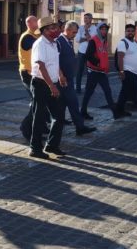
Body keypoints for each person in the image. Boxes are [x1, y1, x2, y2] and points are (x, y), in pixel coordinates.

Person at [28, 16, 67, 159]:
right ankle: (35, 148)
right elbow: (41, 66)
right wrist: (52, 86)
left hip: (53, 83)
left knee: (59, 116)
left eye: (56, 27)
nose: (56, 30)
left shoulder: (54, 43)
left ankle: (52, 145)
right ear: (44, 30)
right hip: (41, 84)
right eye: (52, 28)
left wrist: (61, 75)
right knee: (39, 117)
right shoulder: (40, 44)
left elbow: (54, 63)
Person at [56, 21, 96, 136]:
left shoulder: (68, 41)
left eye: (76, 32)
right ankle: (79, 127)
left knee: (63, 105)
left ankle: (63, 124)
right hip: (63, 80)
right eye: (73, 32)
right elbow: (55, 60)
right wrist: (60, 75)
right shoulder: (59, 41)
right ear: (67, 30)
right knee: (73, 103)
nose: (75, 34)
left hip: (68, 78)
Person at [80, 22, 120, 120]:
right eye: (102, 29)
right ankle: (83, 112)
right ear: (98, 30)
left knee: (107, 91)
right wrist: (97, 63)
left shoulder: (104, 41)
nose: (104, 31)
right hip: (94, 71)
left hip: (101, 72)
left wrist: (104, 66)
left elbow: (103, 55)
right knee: (89, 92)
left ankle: (115, 113)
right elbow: (88, 55)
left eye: (106, 29)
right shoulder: (93, 40)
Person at [18, 16, 42, 142]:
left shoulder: (35, 36)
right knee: (36, 101)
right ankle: (26, 127)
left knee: (40, 101)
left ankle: (40, 126)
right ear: (30, 23)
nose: (38, 23)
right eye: (36, 21)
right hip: (27, 73)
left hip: (34, 73)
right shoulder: (27, 37)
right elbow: (35, 45)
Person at [74, 13, 97, 93]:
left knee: (90, 71)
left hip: (90, 53)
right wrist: (86, 38)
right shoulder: (80, 28)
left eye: (87, 18)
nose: (85, 20)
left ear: (91, 19)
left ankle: (89, 89)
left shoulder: (95, 28)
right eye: (84, 18)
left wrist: (86, 31)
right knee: (79, 71)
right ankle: (78, 89)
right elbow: (77, 40)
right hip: (81, 52)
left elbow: (91, 39)